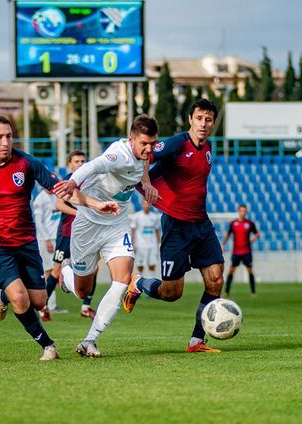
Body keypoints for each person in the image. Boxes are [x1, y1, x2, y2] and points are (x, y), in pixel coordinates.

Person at [0, 115, 119, 361]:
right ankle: (48, 346)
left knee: (38, 301)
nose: (5, 142)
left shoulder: (26, 163)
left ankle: (0, 295)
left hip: (25, 242)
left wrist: (95, 204)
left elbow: (63, 190)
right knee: (20, 298)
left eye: (9, 136)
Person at [123, 99, 225, 353]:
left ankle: (197, 340)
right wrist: (145, 182)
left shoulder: (209, 147)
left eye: (208, 119)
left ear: (213, 123)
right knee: (171, 292)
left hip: (201, 223)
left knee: (215, 280)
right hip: (176, 225)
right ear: (190, 119)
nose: (203, 123)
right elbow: (146, 154)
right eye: (199, 118)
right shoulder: (177, 143)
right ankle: (138, 283)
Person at [53, 114, 158, 358]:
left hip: (116, 224)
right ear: (131, 139)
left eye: (153, 143)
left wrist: (148, 184)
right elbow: (94, 165)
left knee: (122, 280)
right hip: (88, 224)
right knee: (82, 291)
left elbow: (142, 167)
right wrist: (72, 182)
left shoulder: (144, 152)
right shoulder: (118, 154)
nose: (149, 148)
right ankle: (65, 275)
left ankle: (90, 340)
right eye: (144, 143)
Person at [45, 150, 98, 319]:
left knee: (94, 269)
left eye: (83, 161)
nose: (81, 164)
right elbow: (59, 204)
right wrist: (80, 214)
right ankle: (43, 306)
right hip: (67, 233)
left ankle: (85, 306)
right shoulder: (66, 182)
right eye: (77, 161)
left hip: (86, 233)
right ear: (70, 164)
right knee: (56, 270)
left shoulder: (90, 181)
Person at [32, 187, 65, 320]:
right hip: (46, 240)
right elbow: (38, 222)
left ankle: (49, 305)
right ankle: (48, 305)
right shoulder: (40, 199)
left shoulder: (56, 197)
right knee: (49, 271)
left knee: (54, 271)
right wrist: (46, 239)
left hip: (57, 237)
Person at [222, 204, 261, 296]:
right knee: (231, 270)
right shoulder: (233, 223)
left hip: (246, 252)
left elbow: (257, 233)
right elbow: (228, 234)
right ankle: (226, 291)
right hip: (236, 252)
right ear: (238, 211)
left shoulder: (249, 223)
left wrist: (252, 239)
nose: (243, 213)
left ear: (246, 212)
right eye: (241, 211)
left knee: (250, 270)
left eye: (244, 211)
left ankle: (253, 292)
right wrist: (223, 244)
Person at [130, 198, 161, 276]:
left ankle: (152, 281)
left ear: (150, 205)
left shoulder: (154, 217)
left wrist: (158, 244)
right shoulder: (136, 216)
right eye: (144, 203)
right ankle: (141, 281)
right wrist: (133, 244)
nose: (146, 205)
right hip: (140, 245)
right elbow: (133, 231)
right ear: (142, 204)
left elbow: (157, 231)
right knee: (140, 265)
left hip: (152, 245)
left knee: (152, 264)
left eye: (148, 203)